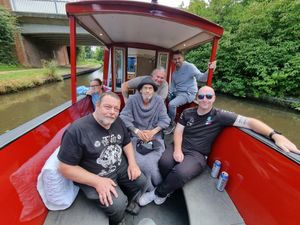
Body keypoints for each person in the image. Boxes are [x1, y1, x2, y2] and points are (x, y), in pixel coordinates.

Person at [139, 85, 300, 206]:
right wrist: (178, 149)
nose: (205, 99)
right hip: (180, 146)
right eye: (201, 96)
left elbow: (250, 122)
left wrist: (274, 135)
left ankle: (159, 192)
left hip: (198, 154)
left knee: (180, 172)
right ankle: (170, 187)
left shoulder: (220, 116)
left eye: (209, 96)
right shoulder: (188, 113)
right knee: (164, 162)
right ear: (196, 98)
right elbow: (178, 132)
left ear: (214, 98)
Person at [57, 92, 147, 225]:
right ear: (97, 106)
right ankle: (118, 219)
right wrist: (97, 181)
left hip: (120, 167)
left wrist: (132, 164)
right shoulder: (77, 130)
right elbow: (64, 168)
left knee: (141, 181)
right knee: (117, 205)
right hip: (95, 174)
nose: (112, 112)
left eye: (116, 109)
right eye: (107, 107)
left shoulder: (118, 121)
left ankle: (127, 201)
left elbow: (126, 142)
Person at [120, 77, 170, 192]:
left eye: (150, 88)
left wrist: (153, 131)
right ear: (140, 90)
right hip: (136, 136)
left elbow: (165, 120)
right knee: (140, 163)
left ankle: (156, 187)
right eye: (145, 88)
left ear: (154, 91)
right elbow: (123, 117)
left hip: (154, 136)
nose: (147, 91)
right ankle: (150, 189)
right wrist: (137, 131)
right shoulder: (133, 100)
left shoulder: (158, 101)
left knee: (154, 164)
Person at [164, 50, 216, 134]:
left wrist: (210, 69)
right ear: (172, 60)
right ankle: (166, 120)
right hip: (178, 93)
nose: (177, 61)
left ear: (183, 58)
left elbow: (202, 78)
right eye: (174, 59)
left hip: (188, 93)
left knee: (172, 104)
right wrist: (168, 94)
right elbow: (173, 86)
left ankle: (171, 124)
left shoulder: (189, 67)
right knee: (166, 99)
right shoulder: (174, 73)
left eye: (179, 58)